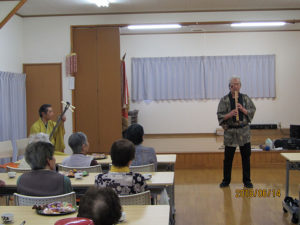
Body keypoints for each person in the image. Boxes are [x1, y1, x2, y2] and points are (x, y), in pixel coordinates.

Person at [217, 76, 256, 188]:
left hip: (244, 131)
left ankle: (247, 180)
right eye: (233, 84)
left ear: (240, 86)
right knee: (228, 158)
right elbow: (220, 115)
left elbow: (252, 110)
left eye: (237, 84)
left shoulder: (245, 98)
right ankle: (226, 180)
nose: (235, 86)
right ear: (230, 87)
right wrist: (229, 114)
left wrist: (243, 110)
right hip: (230, 132)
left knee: (246, 157)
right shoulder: (224, 100)